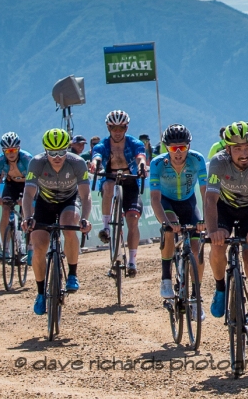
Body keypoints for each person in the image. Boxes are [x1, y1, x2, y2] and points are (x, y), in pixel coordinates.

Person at [204, 121, 248, 351]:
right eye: (237, 148)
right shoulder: (218, 163)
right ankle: (220, 287)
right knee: (217, 248)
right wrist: (213, 231)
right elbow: (210, 199)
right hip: (224, 208)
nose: (243, 154)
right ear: (228, 149)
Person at [21, 129, 92, 315]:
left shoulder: (77, 163)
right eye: (52, 153)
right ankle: (40, 293)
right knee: (38, 246)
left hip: (69, 201)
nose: (57, 157)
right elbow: (28, 195)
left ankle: (72, 274)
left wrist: (84, 218)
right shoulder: (36, 163)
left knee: (69, 226)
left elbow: (86, 196)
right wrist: (27, 217)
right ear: (45, 151)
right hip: (45, 204)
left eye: (61, 152)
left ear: (67, 149)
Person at [149, 124, 208, 320]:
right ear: (167, 148)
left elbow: (205, 193)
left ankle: (196, 298)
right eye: (174, 148)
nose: (178, 153)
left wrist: (206, 219)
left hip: (188, 205)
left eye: (182, 148)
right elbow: (155, 200)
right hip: (167, 203)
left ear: (188, 147)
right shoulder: (157, 164)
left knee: (197, 250)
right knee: (170, 228)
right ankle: (166, 278)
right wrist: (165, 223)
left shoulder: (197, 160)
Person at [89, 110, 147, 277]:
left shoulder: (134, 143)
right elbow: (97, 156)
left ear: (126, 128)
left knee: (133, 220)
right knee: (107, 186)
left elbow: (140, 156)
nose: (117, 131)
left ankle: (132, 261)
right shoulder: (103, 144)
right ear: (108, 128)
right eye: (113, 127)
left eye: (120, 128)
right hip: (110, 179)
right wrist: (94, 164)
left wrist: (142, 165)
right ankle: (106, 227)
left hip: (130, 182)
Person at [0, 133, 33, 263]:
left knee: (28, 212)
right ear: (3, 151)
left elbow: (34, 183)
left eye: (13, 150)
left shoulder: (27, 159)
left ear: (18, 149)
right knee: (5, 210)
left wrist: (26, 200)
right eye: (7, 151)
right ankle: (6, 249)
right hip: (11, 184)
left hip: (28, 184)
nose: (11, 153)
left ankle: (31, 248)